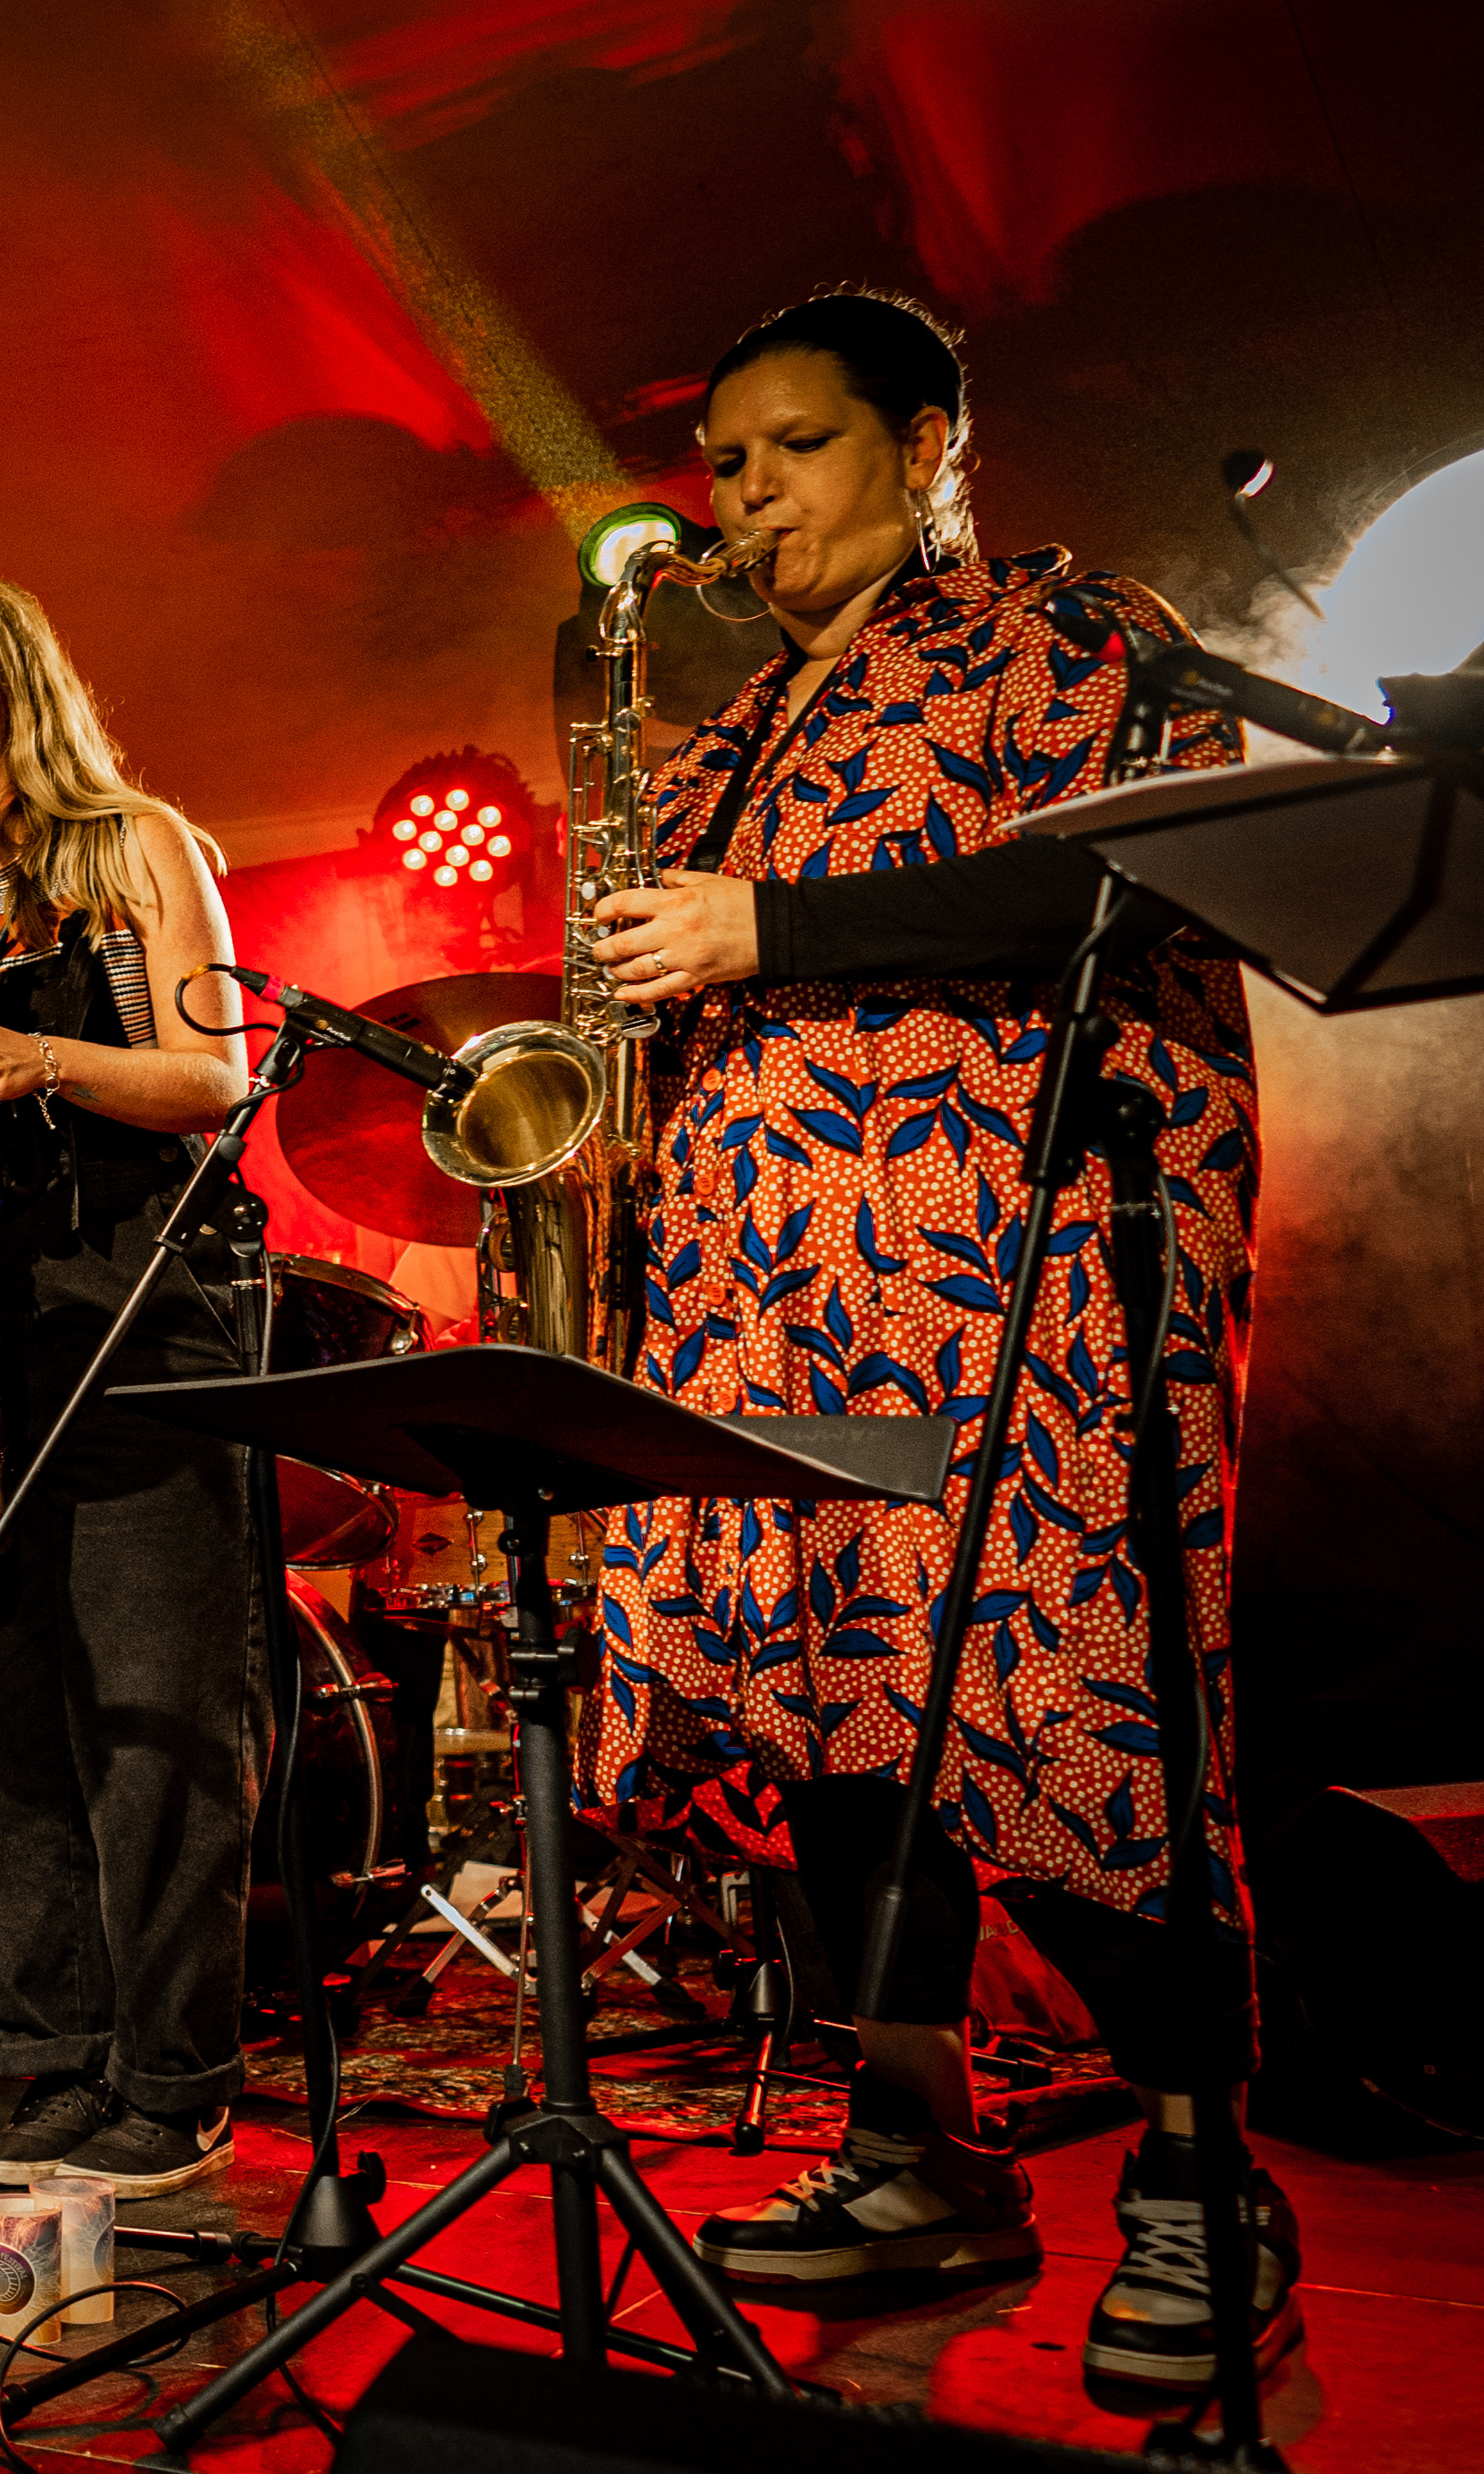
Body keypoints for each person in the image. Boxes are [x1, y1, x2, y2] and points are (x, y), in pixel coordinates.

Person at [576, 289, 1288, 2391]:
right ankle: (914, 2145)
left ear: (928, 447)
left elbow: (1133, 887)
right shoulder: (735, 731)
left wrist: (764, 928)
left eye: (793, 446)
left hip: (1013, 1299)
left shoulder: (1077, 636)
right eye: (726, 462)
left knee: (1070, 1708)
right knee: (838, 1734)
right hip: (775, 1303)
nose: (746, 496)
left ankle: (1196, 2174)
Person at [0, 568, 261, 2197]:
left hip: (138, 1307)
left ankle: (171, 2077)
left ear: (12, 680)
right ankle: (50, 2057)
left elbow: (213, 1075)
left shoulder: (130, 843)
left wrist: (38, 1059)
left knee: (156, 1714)